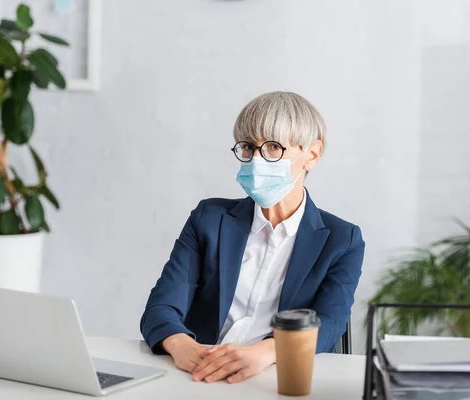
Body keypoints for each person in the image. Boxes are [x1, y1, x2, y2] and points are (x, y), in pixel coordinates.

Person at [140, 91, 365, 384]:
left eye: (273, 147)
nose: (257, 160)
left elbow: (330, 322)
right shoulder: (209, 218)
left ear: (311, 154)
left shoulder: (342, 240)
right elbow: (161, 307)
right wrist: (181, 344)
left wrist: (268, 351)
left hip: (272, 377)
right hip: (196, 374)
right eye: (248, 147)